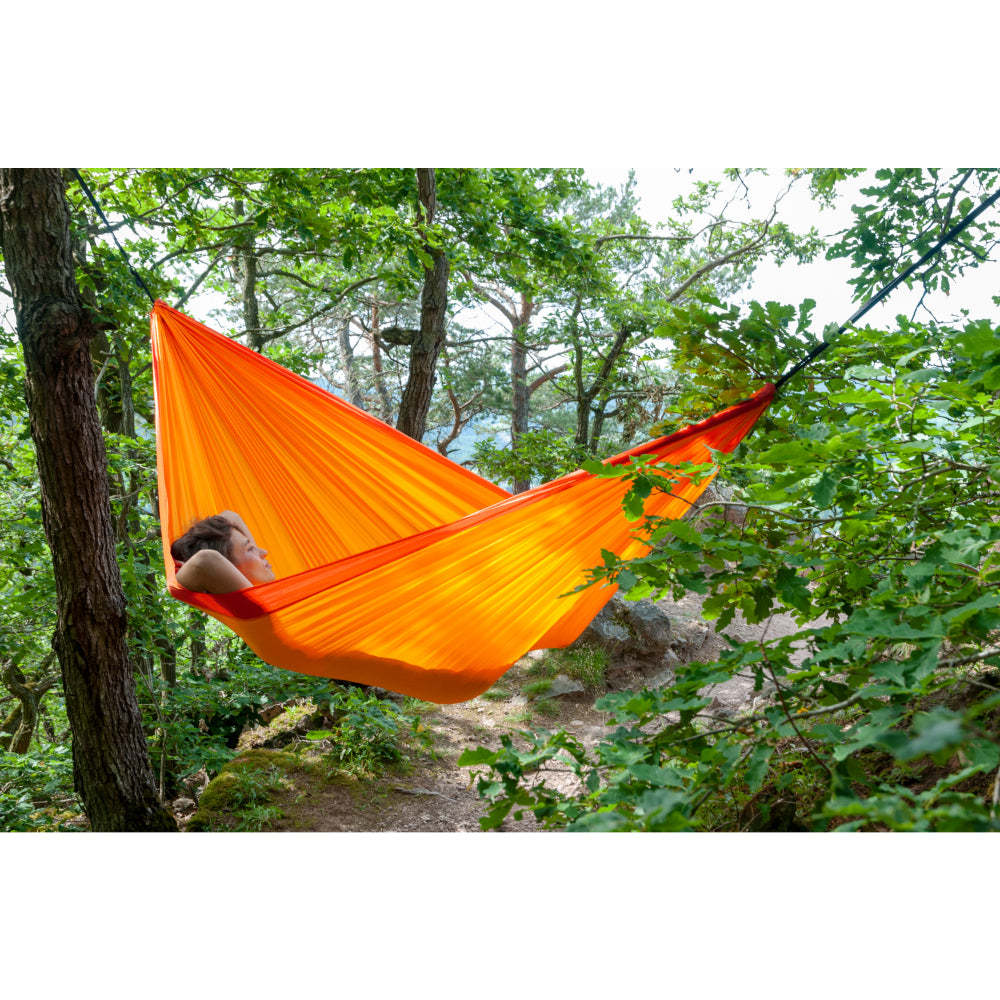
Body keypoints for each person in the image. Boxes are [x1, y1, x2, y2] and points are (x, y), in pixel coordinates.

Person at [171, 510, 276, 593]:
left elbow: (233, 516)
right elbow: (205, 560)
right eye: (250, 548)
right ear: (228, 566)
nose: (264, 552)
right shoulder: (252, 611)